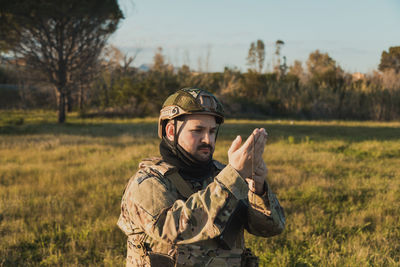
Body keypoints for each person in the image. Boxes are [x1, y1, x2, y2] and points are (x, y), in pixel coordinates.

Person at [117, 88, 285, 267]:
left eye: (212, 131)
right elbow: (174, 229)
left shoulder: (222, 175)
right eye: (198, 130)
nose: (207, 139)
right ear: (171, 131)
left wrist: (257, 188)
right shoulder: (148, 182)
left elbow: (270, 228)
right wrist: (233, 177)